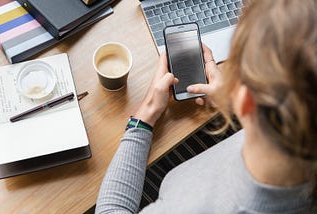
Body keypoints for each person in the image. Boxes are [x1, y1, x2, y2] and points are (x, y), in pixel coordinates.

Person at [95, 0, 317, 213]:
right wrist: (234, 102)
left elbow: (110, 210)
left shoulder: (196, 207)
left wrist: (145, 116)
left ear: (247, 98)